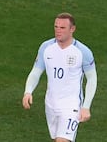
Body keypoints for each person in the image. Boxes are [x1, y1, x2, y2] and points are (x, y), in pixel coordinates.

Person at [22, 12, 97, 142]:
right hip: (50, 104)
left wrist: (86, 106)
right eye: (56, 27)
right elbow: (36, 71)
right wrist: (28, 91)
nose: (58, 31)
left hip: (71, 105)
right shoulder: (46, 47)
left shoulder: (82, 52)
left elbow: (92, 78)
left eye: (62, 28)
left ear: (72, 29)